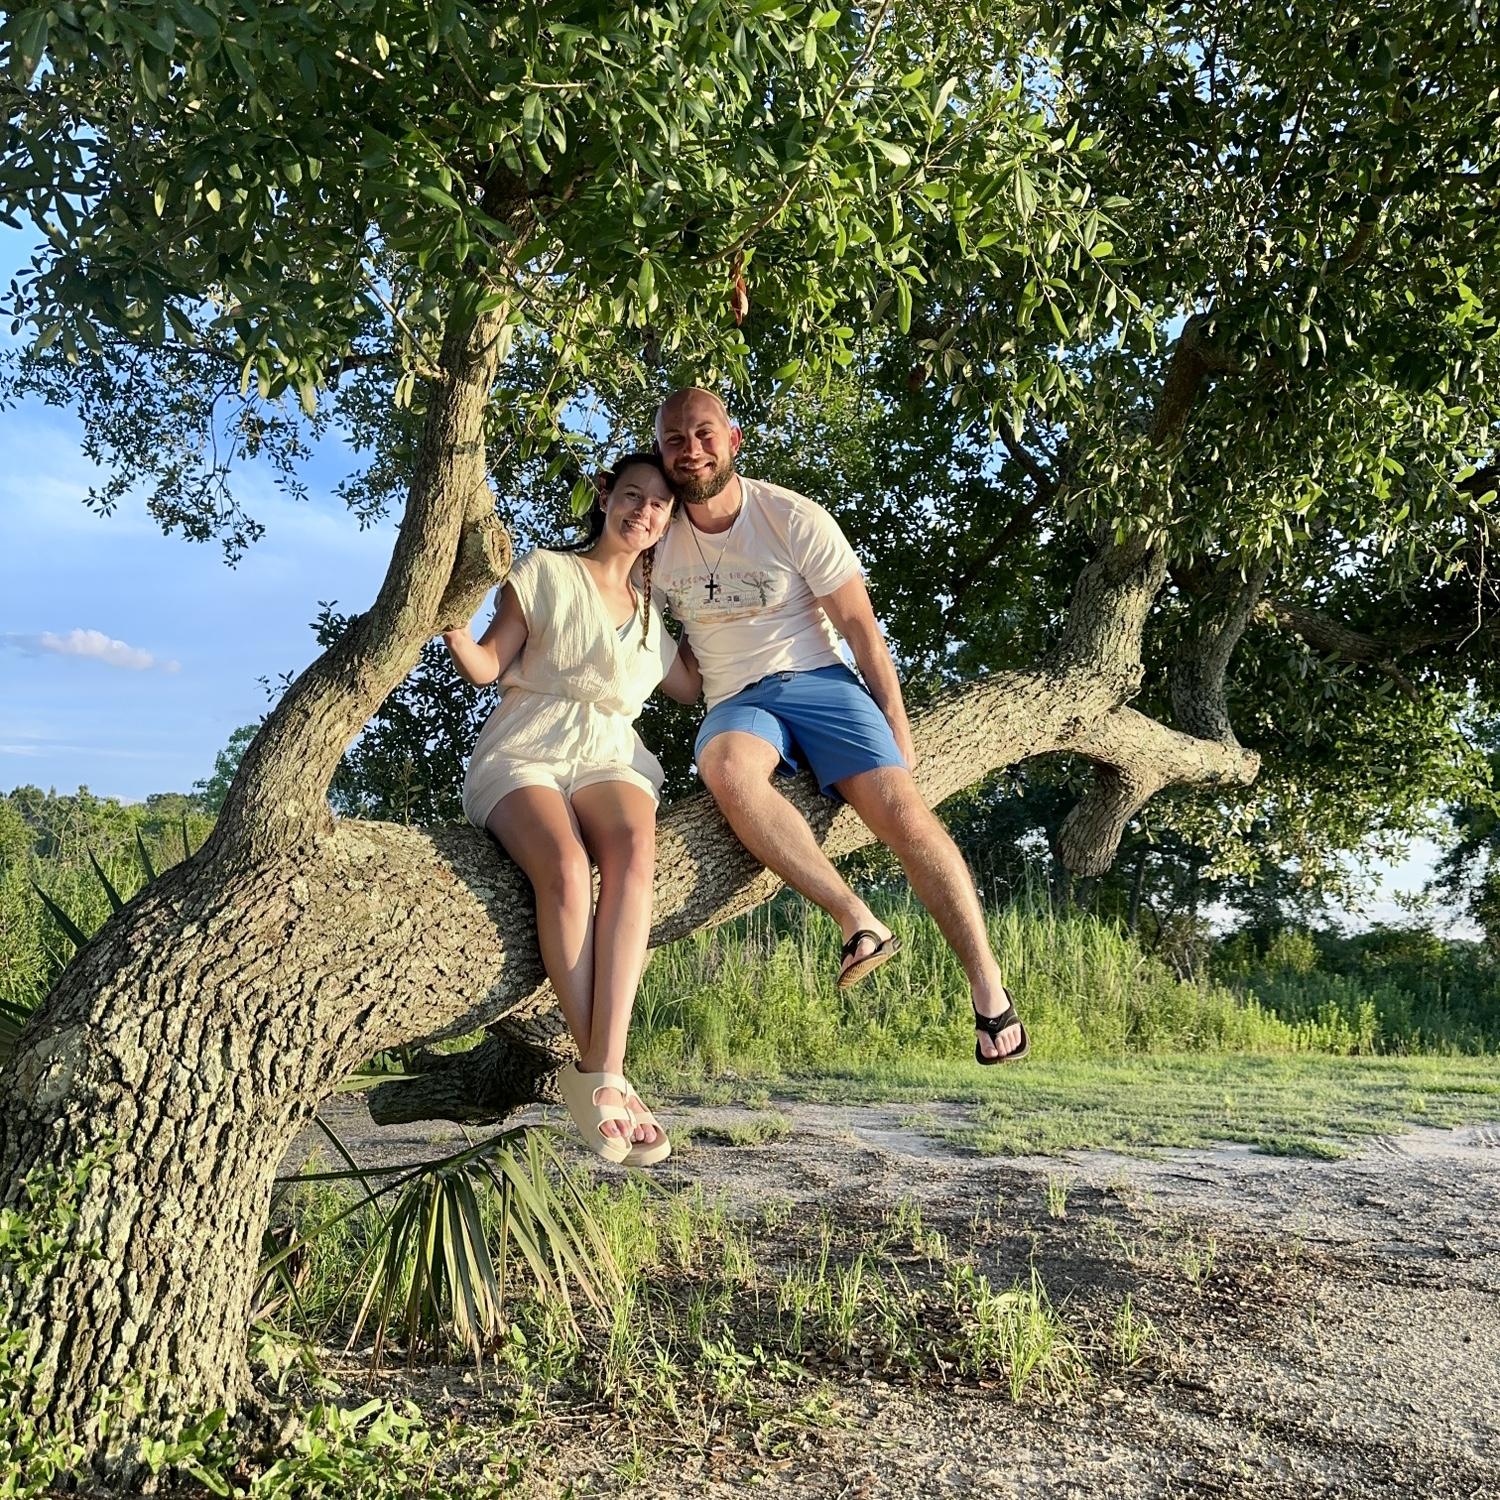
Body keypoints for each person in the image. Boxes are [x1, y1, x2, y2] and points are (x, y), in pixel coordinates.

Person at [652, 388, 1027, 1064]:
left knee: (906, 817)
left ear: (733, 440)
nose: (691, 449)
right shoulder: (655, 539)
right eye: (674, 439)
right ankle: (857, 918)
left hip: (820, 682)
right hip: (736, 701)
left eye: (703, 433)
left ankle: (989, 991)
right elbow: (645, 640)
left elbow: (861, 629)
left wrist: (896, 724)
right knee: (728, 770)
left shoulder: (788, 515)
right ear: (660, 452)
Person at [441, 453, 702, 1165]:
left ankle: (602, 1071)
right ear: (605, 495)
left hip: (610, 753)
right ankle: (604, 1080)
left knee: (633, 858)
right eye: (633, 495)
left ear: (669, 523)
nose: (644, 512)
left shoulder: (655, 615)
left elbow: (691, 686)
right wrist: (449, 624)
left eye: (660, 506)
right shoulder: (547, 571)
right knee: (564, 866)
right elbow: (490, 665)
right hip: (528, 744)